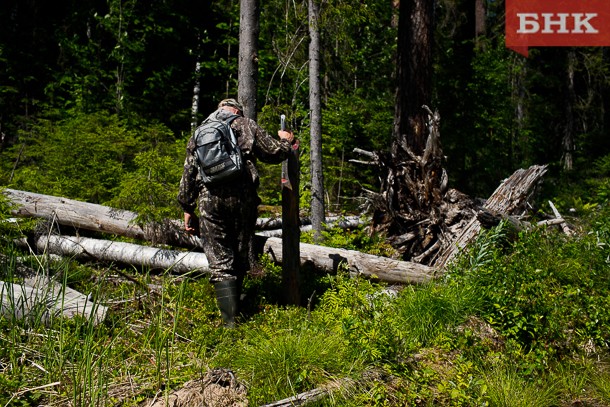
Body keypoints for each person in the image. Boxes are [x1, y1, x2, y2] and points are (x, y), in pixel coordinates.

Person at [178, 98, 294, 327]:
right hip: (243, 198)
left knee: (220, 261)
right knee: (240, 255)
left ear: (219, 110)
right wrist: (285, 142)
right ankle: (237, 311)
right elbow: (273, 154)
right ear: (236, 110)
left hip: (209, 199)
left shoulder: (200, 131)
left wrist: (187, 208)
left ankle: (229, 322)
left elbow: (188, 174)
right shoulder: (246, 124)